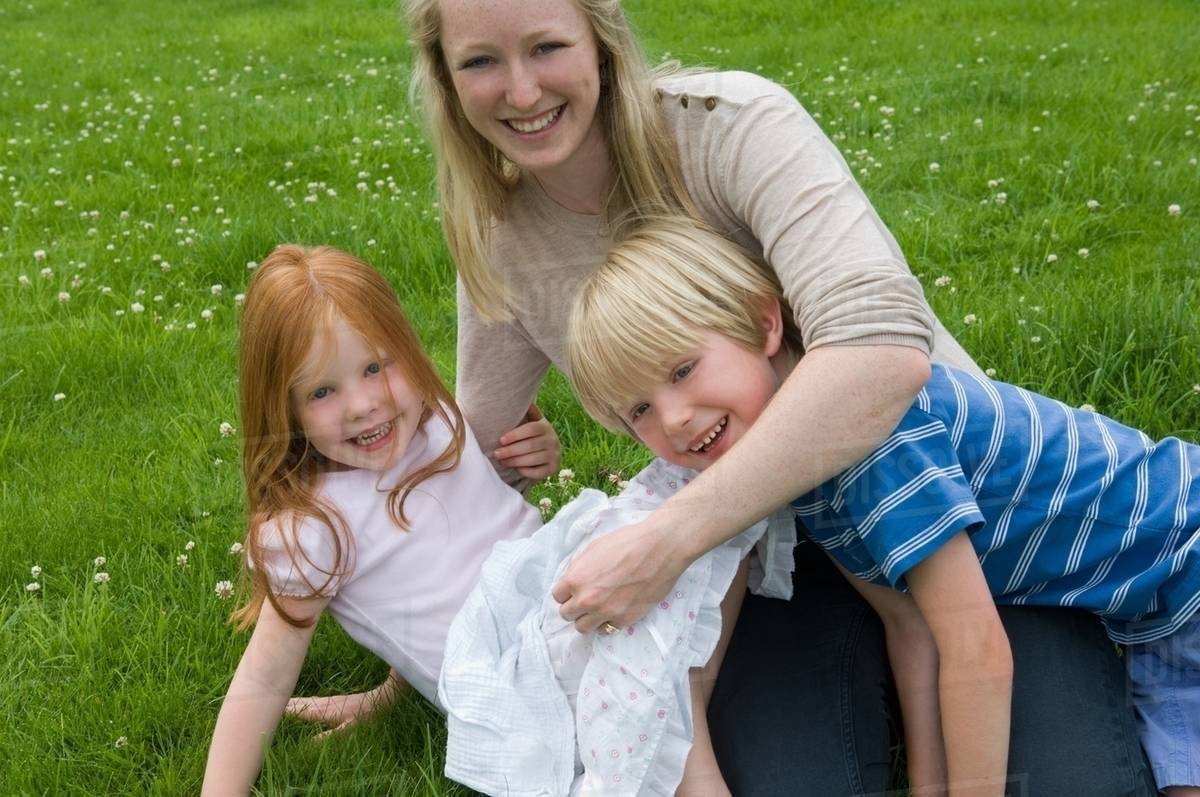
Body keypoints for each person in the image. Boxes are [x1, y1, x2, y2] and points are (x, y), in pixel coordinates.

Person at [298, 0, 1155, 792]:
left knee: (1074, 779)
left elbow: (885, 352)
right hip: (769, 550)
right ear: (446, 80)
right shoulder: (499, 231)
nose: (521, 91)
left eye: (548, 46)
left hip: (949, 505)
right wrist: (426, 664)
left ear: (600, 37)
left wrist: (669, 537)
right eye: (481, 61)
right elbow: (464, 461)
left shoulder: (734, 127)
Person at [565, 218, 1200, 797]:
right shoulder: (793, 468)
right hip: (1147, 608)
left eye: (681, 371)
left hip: (1185, 559)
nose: (673, 420)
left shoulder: (870, 442)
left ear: (764, 323)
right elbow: (911, 625)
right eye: (639, 410)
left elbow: (976, 647)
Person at [199, 243, 754, 796]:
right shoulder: (313, 530)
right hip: (523, 674)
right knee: (639, 666)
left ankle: (690, 696)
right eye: (323, 391)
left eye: (375, 366)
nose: (363, 403)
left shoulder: (434, 420)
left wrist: (535, 457)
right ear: (284, 406)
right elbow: (265, 674)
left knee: (691, 505)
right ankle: (695, 763)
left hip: (564, 592)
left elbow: (453, 549)